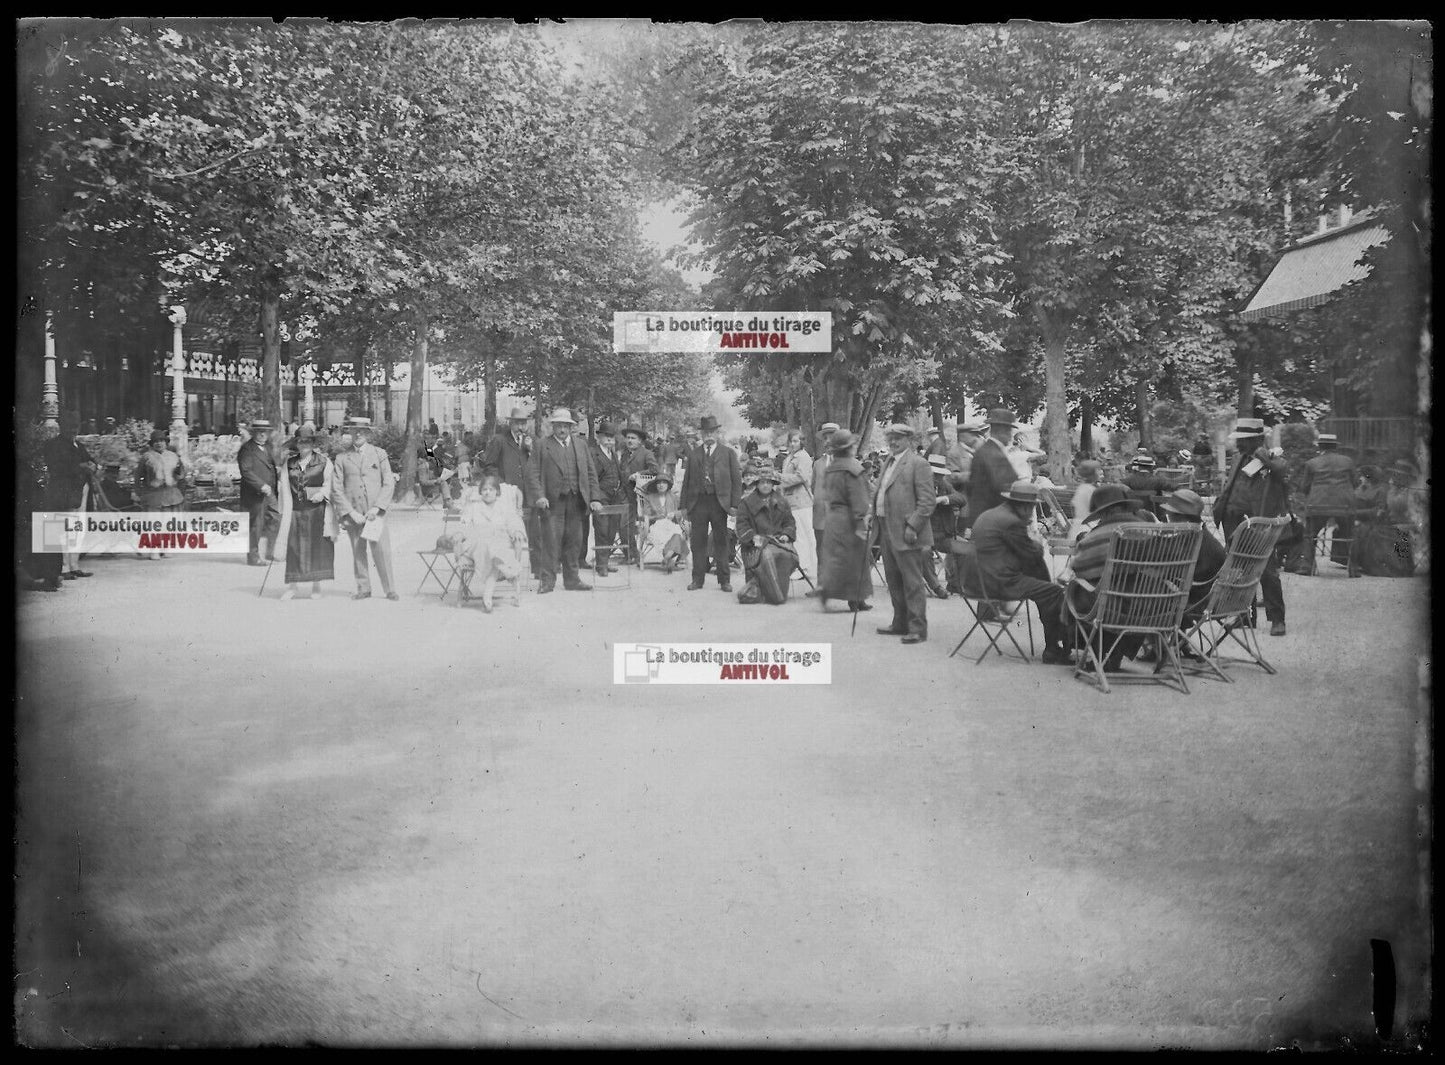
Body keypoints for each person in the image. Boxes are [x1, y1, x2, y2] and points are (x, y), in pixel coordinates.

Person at [969, 480, 1073, 664]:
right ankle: (1053, 647)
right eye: (1031, 506)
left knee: (1043, 585)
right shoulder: (1011, 522)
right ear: (1024, 506)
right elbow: (1032, 552)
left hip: (979, 579)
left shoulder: (992, 514)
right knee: (1053, 591)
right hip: (998, 582)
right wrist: (1036, 540)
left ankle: (1054, 646)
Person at [1212, 417, 1290, 636]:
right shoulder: (1239, 457)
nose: (1238, 444)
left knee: (1266, 569)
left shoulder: (1272, 457)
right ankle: (1244, 615)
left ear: (1257, 439)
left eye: (1243, 440)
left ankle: (1277, 619)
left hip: (1258, 521)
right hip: (1232, 518)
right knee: (1238, 567)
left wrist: (1264, 456)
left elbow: (1283, 471)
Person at [1066, 483, 1148, 670]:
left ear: (1102, 512)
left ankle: (1099, 655)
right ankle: (1116, 654)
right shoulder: (1153, 530)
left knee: (1077, 592)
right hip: (1153, 607)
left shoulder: (1096, 536)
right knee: (1122, 591)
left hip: (1111, 607)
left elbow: (1079, 568)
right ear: (1126, 506)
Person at [524, 408, 604, 593]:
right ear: (553, 426)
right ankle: (547, 581)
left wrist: (595, 498)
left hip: (576, 501)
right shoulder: (542, 445)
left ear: (571, 427)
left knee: (574, 542)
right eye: (558, 425)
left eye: (565, 425)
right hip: (552, 502)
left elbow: (591, 473)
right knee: (551, 541)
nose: (562, 429)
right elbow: (532, 474)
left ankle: (572, 580)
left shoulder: (581, 445)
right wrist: (539, 496)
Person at [871, 423, 937, 644]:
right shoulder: (888, 462)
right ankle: (900, 622)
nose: (892, 442)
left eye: (898, 438)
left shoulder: (919, 464)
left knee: (912, 581)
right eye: (890, 438)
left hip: (907, 531)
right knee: (893, 579)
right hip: (886, 527)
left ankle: (917, 628)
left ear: (909, 440)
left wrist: (913, 526)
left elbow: (927, 502)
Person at [330, 416, 399, 601]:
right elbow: (336, 488)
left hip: (374, 513)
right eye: (354, 430)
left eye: (362, 430)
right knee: (357, 550)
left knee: (381, 550)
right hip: (354, 513)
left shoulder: (379, 453)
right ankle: (363, 587)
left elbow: (388, 482)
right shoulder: (342, 458)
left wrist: (377, 508)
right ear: (350, 433)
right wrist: (350, 512)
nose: (358, 433)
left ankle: (389, 589)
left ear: (368, 433)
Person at [680, 414, 742, 593]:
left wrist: (734, 504)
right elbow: (687, 481)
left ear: (717, 433)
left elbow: (736, 481)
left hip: (719, 503)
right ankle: (697, 580)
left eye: (712, 431)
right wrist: (683, 506)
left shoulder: (728, 453)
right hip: (698, 502)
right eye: (706, 432)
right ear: (701, 433)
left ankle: (724, 581)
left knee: (721, 541)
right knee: (697, 542)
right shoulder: (693, 454)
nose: (709, 435)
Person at [453, 473, 528, 611]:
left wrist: (517, 531)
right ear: (480, 492)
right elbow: (464, 524)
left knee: (495, 550)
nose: (487, 492)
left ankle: (487, 594)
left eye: (491, 489)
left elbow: (513, 521)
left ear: (497, 492)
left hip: (499, 544)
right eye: (484, 490)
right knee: (490, 547)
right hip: (477, 545)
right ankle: (509, 572)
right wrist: (460, 533)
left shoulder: (504, 507)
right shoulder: (474, 507)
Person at [816, 430, 872, 612]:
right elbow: (859, 499)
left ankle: (827, 589)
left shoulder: (830, 468)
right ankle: (856, 599)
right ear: (849, 449)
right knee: (856, 559)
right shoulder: (853, 469)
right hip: (849, 519)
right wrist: (860, 521)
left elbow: (825, 492)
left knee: (835, 558)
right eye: (853, 446)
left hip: (832, 518)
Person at [281, 427, 337, 600]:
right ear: (296, 444)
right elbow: (284, 487)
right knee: (294, 547)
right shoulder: (289, 463)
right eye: (300, 441)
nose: (303, 445)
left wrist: (322, 493)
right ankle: (293, 586)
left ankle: (316, 586)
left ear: (313, 443)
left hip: (316, 511)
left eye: (307, 441)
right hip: (296, 512)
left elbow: (331, 483)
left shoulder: (324, 462)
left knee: (317, 548)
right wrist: (285, 511)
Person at [1290, 432, 1357, 574]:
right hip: (1344, 506)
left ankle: (1306, 567)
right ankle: (1353, 568)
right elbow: (1355, 482)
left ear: (1320, 446)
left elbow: (1305, 487)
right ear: (1335, 446)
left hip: (1317, 506)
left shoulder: (1312, 463)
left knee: (1309, 535)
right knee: (1350, 535)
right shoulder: (1348, 461)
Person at [43, 412, 97, 581]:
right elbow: (57, 468)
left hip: (81, 491)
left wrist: (92, 465)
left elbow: (91, 461)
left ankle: (74, 565)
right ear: (62, 426)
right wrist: (81, 466)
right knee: (64, 530)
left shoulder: (79, 446)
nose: (73, 429)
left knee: (77, 529)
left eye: (75, 425)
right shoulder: (53, 445)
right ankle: (64, 567)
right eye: (69, 425)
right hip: (64, 492)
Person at [1159, 487, 1227, 620]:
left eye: (1170, 514)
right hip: (1210, 596)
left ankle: (1164, 638)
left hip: (1198, 600)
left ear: (1179, 516)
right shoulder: (1201, 535)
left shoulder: (1192, 540)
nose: (1168, 516)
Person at [734, 467, 798, 604]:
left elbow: (790, 522)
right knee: (767, 556)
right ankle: (776, 597)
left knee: (787, 556)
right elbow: (741, 525)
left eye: (768, 482)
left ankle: (776, 591)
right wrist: (752, 537)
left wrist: (787, 534)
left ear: (773, 484)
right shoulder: (746, 503)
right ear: (756, 484)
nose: (765, 485)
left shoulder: (782, 501)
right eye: (762, 482)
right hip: (755, 546)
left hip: (778, 543)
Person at [134, 430, 188, 560]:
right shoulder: (146, 457)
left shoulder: (173, 456)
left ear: (166, 443)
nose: (159, 444)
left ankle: (167, 547)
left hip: (171, 494)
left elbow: (181, 475)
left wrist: (179, 472)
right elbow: (137, 476)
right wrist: (139, 492)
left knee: (169, 522)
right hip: (153, 494)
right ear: (152, 444)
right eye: (156, 442)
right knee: (154, 522)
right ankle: (154, 549)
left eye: (162, 441)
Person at [967, 409, 1022, 532]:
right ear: (1003, 430)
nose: (1011, 435)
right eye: (1010, 431)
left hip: (983, 519)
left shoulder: (985, 450)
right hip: (995, 523)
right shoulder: (994, 454)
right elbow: (1005, 489)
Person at [237, 419, 281, 566]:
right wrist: (261, 485)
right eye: (259, 431)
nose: (262, 434)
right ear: (253, 433)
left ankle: (269, 552)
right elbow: (246, 471)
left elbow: (270, 466)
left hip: (270, 493)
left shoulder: (267, 447)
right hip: (255, 494)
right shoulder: (247, 449)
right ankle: (253, 556)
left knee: (275, 519)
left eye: (265, 432)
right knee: (256, 524)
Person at [778, 429, 817, 584]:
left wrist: (780, 477)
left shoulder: (803, 457)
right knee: (798, 535)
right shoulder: (789, 458)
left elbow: (801, 477)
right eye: (791, 441)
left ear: (802, 442)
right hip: (791, 501)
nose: (793, 444)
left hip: (802, 501)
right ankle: (803, 566)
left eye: (796, 441)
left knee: (805, 535)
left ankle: (806, 568)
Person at [588, 420, 626, 575]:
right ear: (599, 437)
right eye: (606, 436)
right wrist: (594, 499)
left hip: (615, 498)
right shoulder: (594, 453)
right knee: (602, 531)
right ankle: (601, 566)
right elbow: (592, 478)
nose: (610, 439)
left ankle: (605, 561)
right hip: (601, 497)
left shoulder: (613, 454)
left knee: (611, 531)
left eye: (612, 437)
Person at [927, 453, 967, 597]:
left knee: (967, 549)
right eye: (934, 475)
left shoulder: (945, 485)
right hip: (926, 537)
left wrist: (945, 498)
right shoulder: (920, 486)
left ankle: (955, 584)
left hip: (944, 536)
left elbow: (961, 499)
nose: (937, 478)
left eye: (940, 475)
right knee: (924, 552)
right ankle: (936, 586)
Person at [618, 424, 658, 561]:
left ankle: (631, 555)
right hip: (624, 494)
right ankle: (631, 554)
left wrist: (638, 474)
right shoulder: (624, 454)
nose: (629, 441)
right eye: (628, 438)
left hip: (640, 497)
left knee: (624, 524)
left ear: (640, 440)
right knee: (622, 524)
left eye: (633, 438)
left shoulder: (647, 453)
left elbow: (655, 470)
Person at [638, 473, 688, 573]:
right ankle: (669, 557)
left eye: (664, 483)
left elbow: (684, 511)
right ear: (655, 485)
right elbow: (645, 515)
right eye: (659, 483)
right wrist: (657, 516)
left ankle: (668, 557)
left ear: (668, 485)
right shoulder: (649, 497)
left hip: (671, 525)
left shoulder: (673, 497)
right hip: (656, 526)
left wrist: (674, 514)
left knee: (677, 535)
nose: (661, 485)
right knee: (665, 536)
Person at [1121, 454, 1170, 518]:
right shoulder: (1158, 480)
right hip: (1155, 516)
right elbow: (1172, 487)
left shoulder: (1128, 481)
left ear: (1138, 466)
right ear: (1151, 467)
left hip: (1134, 516)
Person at [1068, 459, 1102, 540]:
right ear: (1093, 473)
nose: (1100, 472)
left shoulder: (1081, 488)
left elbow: (1074, 506)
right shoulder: (1091, 490)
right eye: (1098, 470)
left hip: (1077, 525)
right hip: (1088, 527)